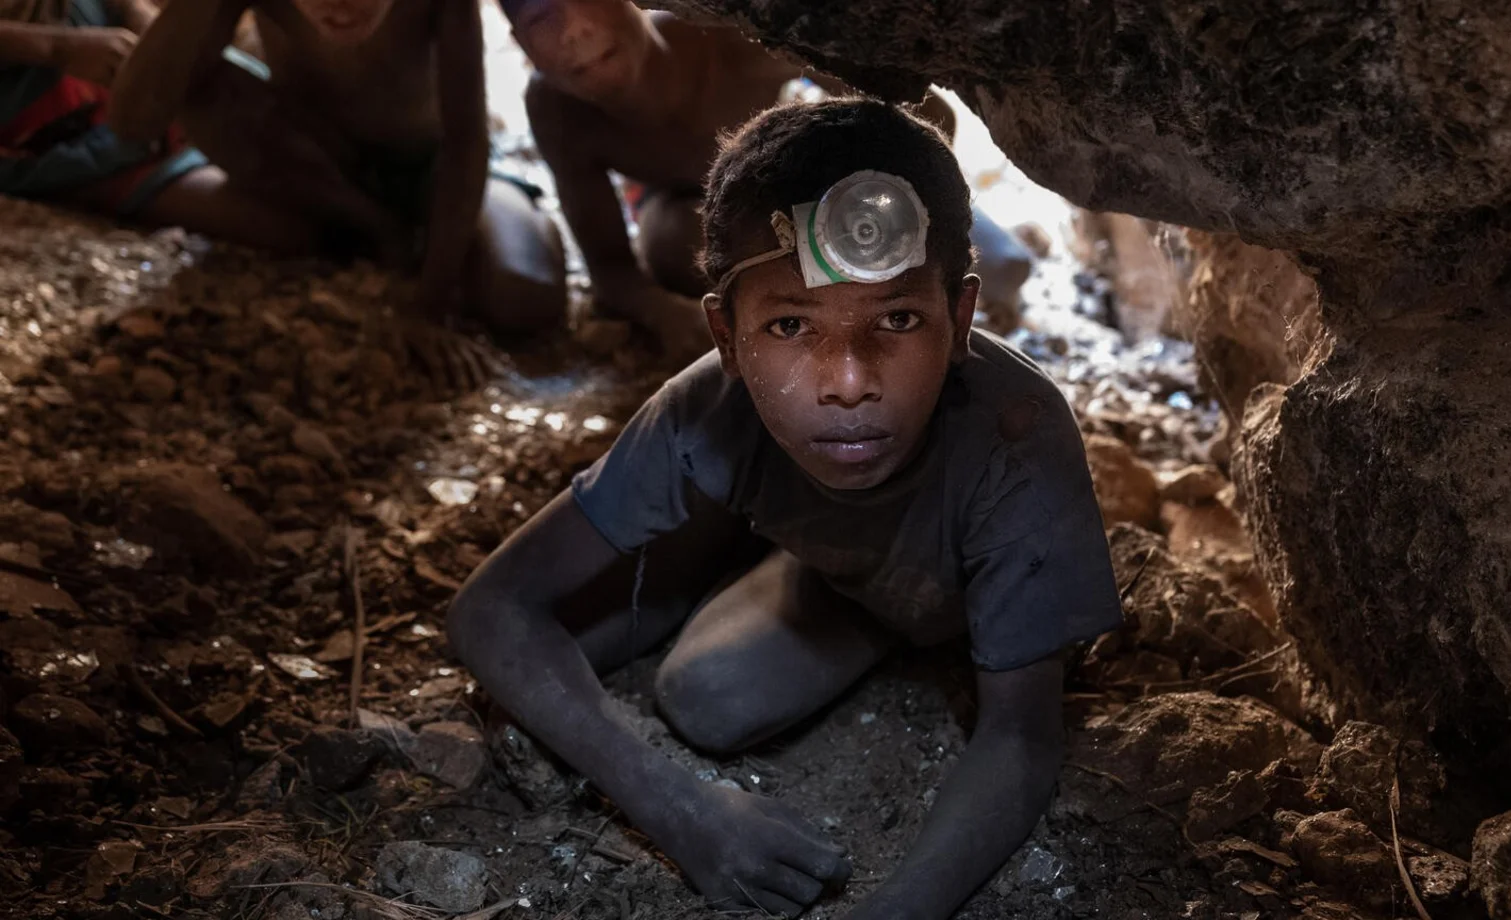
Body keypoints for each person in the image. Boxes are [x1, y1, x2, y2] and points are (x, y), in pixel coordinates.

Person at [448, 99, 1122, 919]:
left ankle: (817, 571)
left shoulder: (1015, 436)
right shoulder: (703, 407)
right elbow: (490, 607)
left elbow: (1020, 735)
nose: (846, 380)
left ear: (963, 318)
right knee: (702, 700)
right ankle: (758, 548)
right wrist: (683, 811)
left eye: (899, 318)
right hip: (824, 568)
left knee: (699, 691)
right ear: (726, 337)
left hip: (913, 595)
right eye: (791, 324)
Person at [504, 0, 1031, 359]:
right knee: (679, 248)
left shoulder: (728, 28)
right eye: (542, 19)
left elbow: (932, 115)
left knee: (1004, 269)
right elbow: (612, 271)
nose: (572, 31)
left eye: (585, 0)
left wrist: (883, 204)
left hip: (823, 171)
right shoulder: (556, 106)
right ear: (520, 45)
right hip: (690, 202)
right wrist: (667, 312)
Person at [106, 0, 568, 389]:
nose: (341, 4)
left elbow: (466, 142)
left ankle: (396, 235)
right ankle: (375, 230)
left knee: (525, 299)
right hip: (319, 165)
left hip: (432, 165)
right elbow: (132, 122)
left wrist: (431, 301)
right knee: (200, 83)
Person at [0, 0, 310, 247]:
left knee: (296, 138)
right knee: (288, 225)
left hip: (101, 42)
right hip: (40, 120)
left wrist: (136, 13)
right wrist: (58, 49)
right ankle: (83, 178)